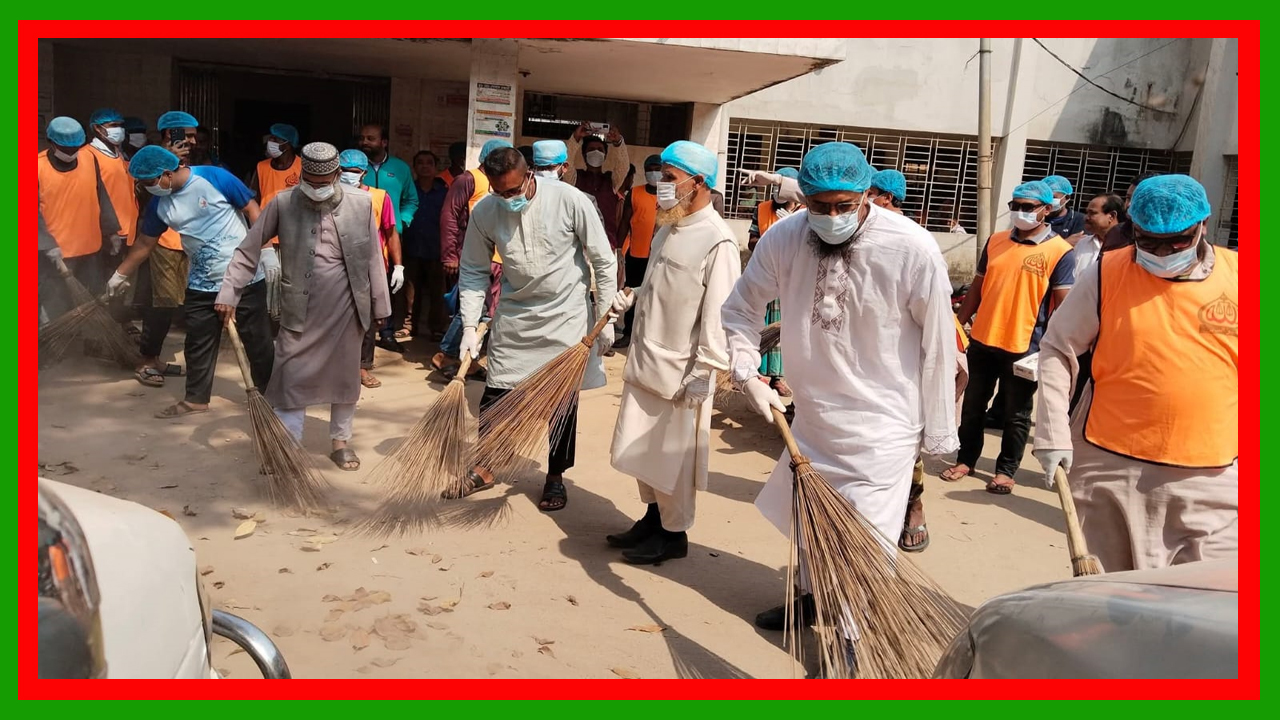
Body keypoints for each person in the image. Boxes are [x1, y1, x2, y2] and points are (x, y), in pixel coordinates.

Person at [720, 142, 957, 644]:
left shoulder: (911, 247)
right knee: (811, 523)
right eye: (818, 206)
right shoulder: (784, 237)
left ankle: (854, 648)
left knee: (866, 542)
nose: (830, 217)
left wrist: (939, 431)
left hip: (884, 422)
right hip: (814, 415)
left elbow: (939, 342)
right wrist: (746, 371)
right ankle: (813, 597)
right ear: (801, 195)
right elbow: (741, 308)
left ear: (867, 193)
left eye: (843, 206)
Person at [1033, 175, 1237, 572]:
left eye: (1176, 241)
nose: (1162, 252)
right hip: (1112, 465)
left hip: (1216, 472)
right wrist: (1052, 434)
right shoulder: (1106, 272)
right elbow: (1058, 348)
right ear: (1132, 229)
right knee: (1117, 598)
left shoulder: (1246, 276)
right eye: (1149, 241)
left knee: (1207, 598)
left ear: (1203, 226)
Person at [455, 147, 617, 511]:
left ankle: (555, 478)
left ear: (530, 175)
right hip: (515, 317)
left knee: (561, 404)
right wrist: (469, 324)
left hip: (566, 319)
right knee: (495, 394)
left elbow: (604, 262)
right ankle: (485, 465)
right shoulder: (485, 211)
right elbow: (474, 270)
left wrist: (607, 319)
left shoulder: (570, 200)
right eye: (500, 193)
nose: (508, 199)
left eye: (514, 191)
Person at [216, 142, 391, 471]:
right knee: (291, 378)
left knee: (345, 381)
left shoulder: (361, 203)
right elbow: (248, 250)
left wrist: (380, 305)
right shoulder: (282, 203)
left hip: (346, 306)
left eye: (323, 184)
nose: (316, 190)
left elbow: (372, 258)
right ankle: (287, 446)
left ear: (337, 175)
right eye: (309, 182)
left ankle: (341, 442)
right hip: (299, 307)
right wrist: (229, 292)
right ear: (302, 176)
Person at [606, 141, 741, 564]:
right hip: (647, 360)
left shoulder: (718, 241)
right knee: (644, 451)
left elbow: (720, 314)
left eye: (669, 178)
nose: (661, 185)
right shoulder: (670, 225)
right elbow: (661, 283)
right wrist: (633, 295)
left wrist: (707, 369)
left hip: (684, 374)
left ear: (698, 183)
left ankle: (673, 534)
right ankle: (650, 519)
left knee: (674, 461)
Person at [107, 146, 273, 419]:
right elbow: (146, 243)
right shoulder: (160, 204)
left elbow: (253, 210)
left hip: (244, 275)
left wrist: (265, 250)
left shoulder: (214, 177)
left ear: (167, 173)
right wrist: (120, 274)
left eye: (150, 182)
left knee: (258, 341)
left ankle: (270, 396)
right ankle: (196, 399)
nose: (149, 188)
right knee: (198, 342)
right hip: (201, 281)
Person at [943, 181, 1076, 494]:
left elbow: (1063, 305)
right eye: (1015, 205)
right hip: (984, 339)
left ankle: (1005, 470)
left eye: (1028, 207)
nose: (1020, 212)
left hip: (1025, 345)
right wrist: (958, 324)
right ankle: (966, 459)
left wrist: (1052, 348)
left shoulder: (1060, 252)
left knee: (1016, 414)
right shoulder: (996, 241)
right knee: (973, 406)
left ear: (1047, 210)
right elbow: (976, 288)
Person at [435, 139, 511, 378]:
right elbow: (449, 217)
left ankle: (469, 359)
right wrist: (449, 255)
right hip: (473, 255)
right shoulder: (468, 180)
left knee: (489, 311)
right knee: (472, 308)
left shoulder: (502, 184)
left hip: (499, 257)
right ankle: (446, 354)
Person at [37, 117, 122, 318]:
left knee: (92, 303)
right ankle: (54, 347)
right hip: (55, 254)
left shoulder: (88, 159)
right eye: (66, 149)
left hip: (89, 249)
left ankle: (92, 345)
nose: (71, 152)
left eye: (75, 147)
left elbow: (101, 196)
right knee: (54, 305)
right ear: (52, 142)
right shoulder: (36, 166)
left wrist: (111, 232)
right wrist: (46, 244)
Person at [338, 149, 404, 384]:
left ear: (364, 173)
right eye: (343, 171)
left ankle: (362, 366)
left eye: (353, 172)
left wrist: (398, 266)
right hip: (337, 264)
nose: (348, 176)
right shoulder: (333, 195)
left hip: (369, 266)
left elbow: (390, 230)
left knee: (367, 319)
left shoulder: (378, 197)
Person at [1059, 193, 1125, 414]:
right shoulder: (1079, 245)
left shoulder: (1126, 252)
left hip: (1108, 332)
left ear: (1111, 216)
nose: (1085, 217)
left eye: (1092, 213)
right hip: (1077, 328)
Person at [747, 166, 801, 399]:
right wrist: (771, 237)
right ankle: (758, 372)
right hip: (764, 274)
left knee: (783, 329)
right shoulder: (761, 209)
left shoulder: (805, 213)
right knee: (760, 324)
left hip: (791, 279)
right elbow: (751, 241)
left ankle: (779, 377)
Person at [611, 154, 662, 350]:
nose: (653, 173)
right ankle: (628, 333)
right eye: (649, 169)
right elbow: (625, 221)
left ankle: (651, 335)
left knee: (656, 295)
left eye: (657, 168)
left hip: (659, 256)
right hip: (637, 254)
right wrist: (618, 247)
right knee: (632, 293)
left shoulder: (669, 195)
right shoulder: (635, 193)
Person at [398, 150, 449, 341]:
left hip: (436, 248)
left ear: (436, 167)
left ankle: (436, 327)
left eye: (429, 162)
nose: (425, 166)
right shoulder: (409, 190)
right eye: (420, 162)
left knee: (438, 292)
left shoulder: (444, 192)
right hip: (411, 247)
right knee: (410, 290)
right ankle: (409, 325)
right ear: (414, 167)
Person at [564, 122, 629, 249]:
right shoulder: (575, 178)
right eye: (591, 150)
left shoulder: (612, 181)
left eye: (600, 150)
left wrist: (618, 142)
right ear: (584, 155)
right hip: (578, 245)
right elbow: (567, 161)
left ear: (605, 156)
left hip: (606, 244)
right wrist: (576, 138)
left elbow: (623, 166)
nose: (596, 152)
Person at [246, 123, 301, 249]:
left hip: (294, 236)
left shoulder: (302, 167)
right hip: (266, 237)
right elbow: (253, 200)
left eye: (276, 139)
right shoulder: (261, 167)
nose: (271, 142)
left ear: (288, 144)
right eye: (270, 139)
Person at [1103, 171, 1162, 251]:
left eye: (1136, 199)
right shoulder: (1116, 233)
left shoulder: (1169, 236)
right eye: (1128, 198)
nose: (1129, 204)